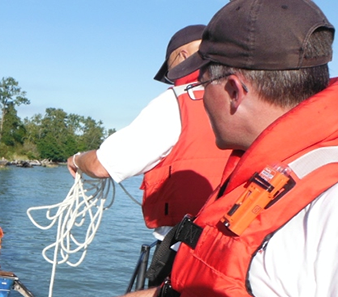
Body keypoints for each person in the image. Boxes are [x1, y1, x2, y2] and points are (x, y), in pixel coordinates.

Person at [63, 0, 338, 297]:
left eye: (198, 85)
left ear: (232, 90)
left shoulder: (327, 207)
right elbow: (216, 294)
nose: (193, 99)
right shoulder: (263, 175)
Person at [67, 24, 231, 241]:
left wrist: (77, 160)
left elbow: (102, 166)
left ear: (182, 56)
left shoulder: (175, 103)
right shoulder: (247, 97)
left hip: (187, 248)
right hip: (237, 241)